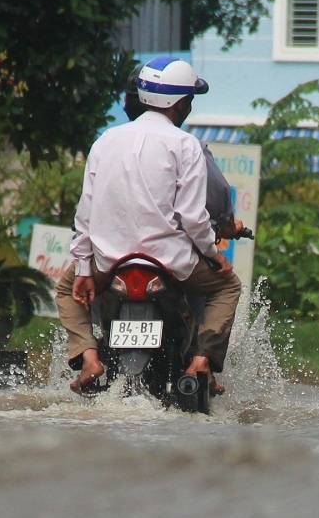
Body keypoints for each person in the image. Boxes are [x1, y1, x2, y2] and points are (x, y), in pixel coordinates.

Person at [55, 58, 242, 393]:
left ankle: (88, 356)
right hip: (170, 263)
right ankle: (201, 360)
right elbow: (193, 217)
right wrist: (214, 256)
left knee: (67, 288)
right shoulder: (185, 144)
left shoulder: (106, 140)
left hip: (109, 262)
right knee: (227, 285)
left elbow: (85, 214)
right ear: (181, 104)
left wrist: (83, 267)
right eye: (189, 100)